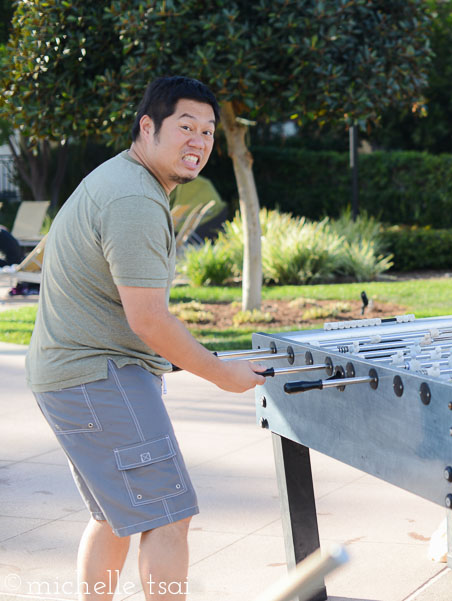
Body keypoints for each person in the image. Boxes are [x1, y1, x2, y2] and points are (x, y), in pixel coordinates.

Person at [25, 76, 266, 600]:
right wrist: (223, 374)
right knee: (169, 518)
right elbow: (149, 320)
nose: (199, 142)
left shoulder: (122, 180)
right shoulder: (134, 197)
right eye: (185, 127)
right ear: (147, 127)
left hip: (72, 376)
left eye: (207, 131)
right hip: (98, 376)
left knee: (117, 517)